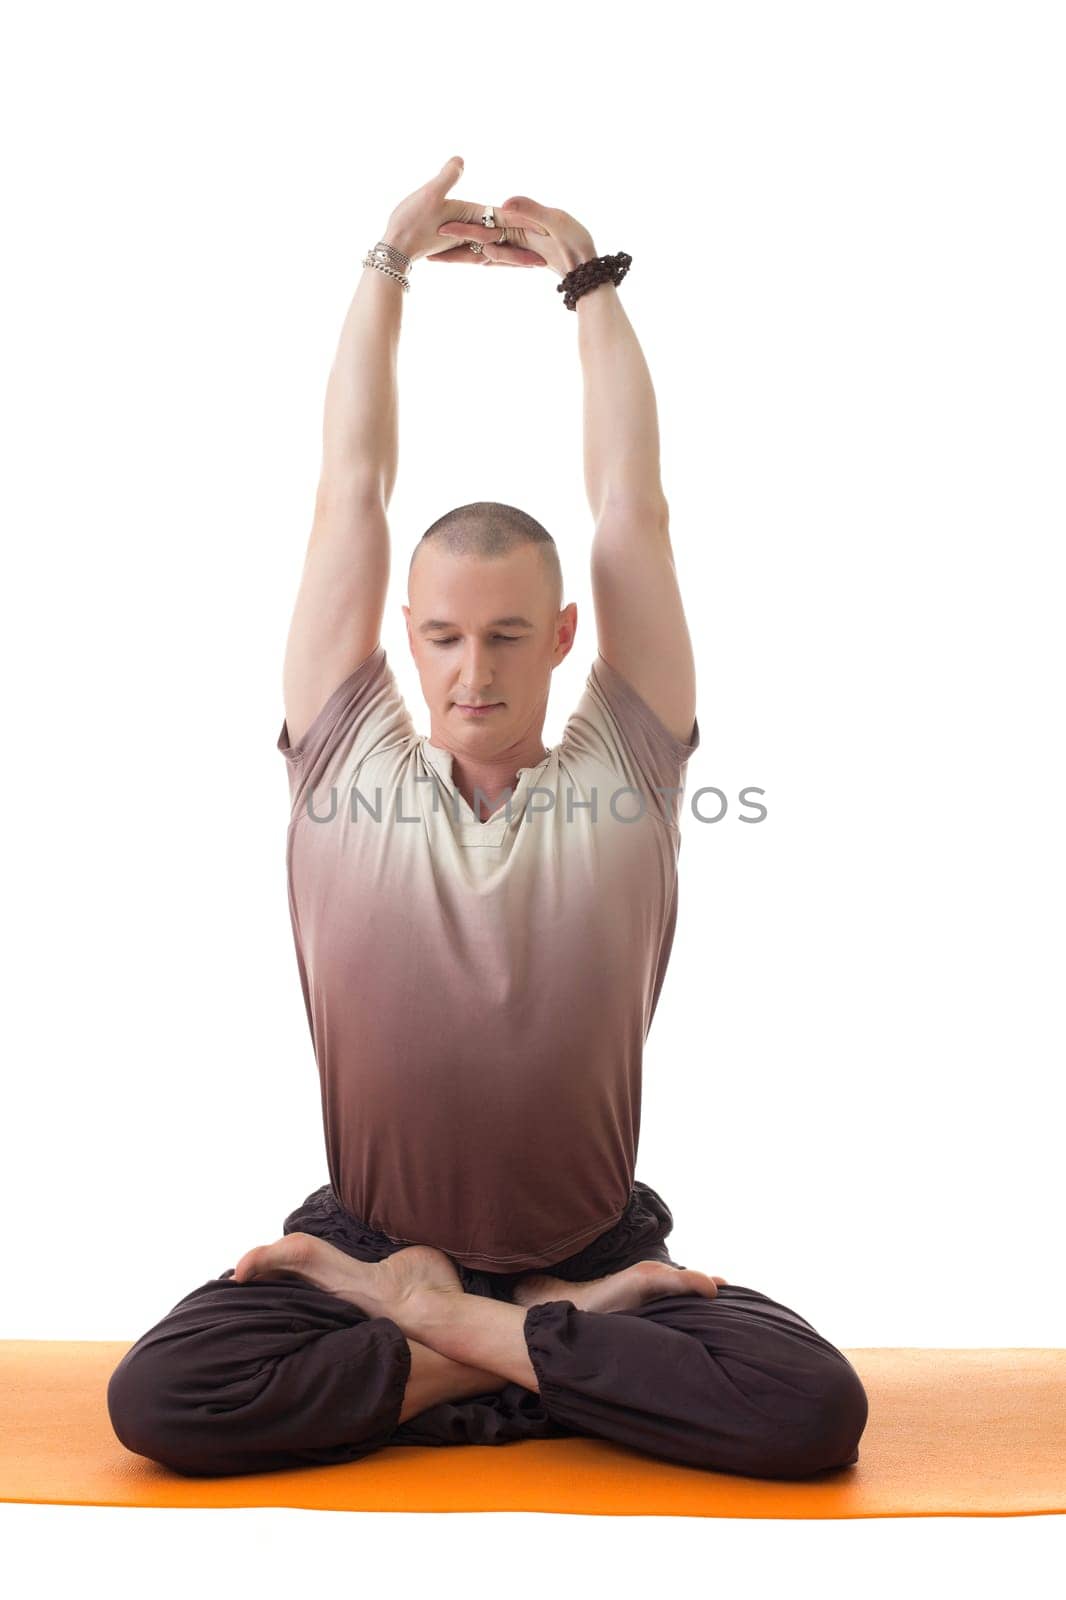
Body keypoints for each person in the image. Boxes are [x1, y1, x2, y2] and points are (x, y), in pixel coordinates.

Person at [106, 157, 868, 1481]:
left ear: (564, 635)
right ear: (402, 634)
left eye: (510, 636)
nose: (474, 671)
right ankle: (546, 1357)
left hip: (594, 1252)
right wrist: (386, 264)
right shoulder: (345, 751)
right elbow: (350, 488)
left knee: (812, 1412)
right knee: (164, 1402)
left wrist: (588, 287)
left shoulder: (626, 762)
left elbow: (634, 508)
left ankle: (451, 1339)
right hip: (362, 1245)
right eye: (445, 636)